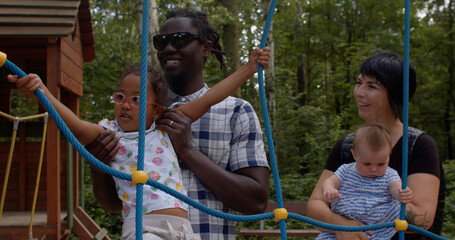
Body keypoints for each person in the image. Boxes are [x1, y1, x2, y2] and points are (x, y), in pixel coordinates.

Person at [8, 43, 269, 239]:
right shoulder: (109, 133)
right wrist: (42, 92)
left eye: (136, 99)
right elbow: (72, 125)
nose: (126, 104)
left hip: (184, 229)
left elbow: (211, 97)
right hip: (144, 228)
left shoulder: (165, 126)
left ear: (156, 109)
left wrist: (248, 68)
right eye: (120, 97)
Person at [85, 8, 271, 240]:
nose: (169, 48)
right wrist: (99, 167)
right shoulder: (139, 114)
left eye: (181, 39)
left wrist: (187, 150)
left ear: (205, 48)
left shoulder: (236, 112)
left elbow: (256, 201)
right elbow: (113, 205)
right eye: (161, 42)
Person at [307, 52, 445, 240]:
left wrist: (361, 209)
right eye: (359, 83)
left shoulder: (419, 145)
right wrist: (342, 225)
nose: (359, 92)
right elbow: (314, 205)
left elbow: (424, 217)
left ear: (396, 94)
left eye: (371, 86)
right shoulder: (347, 146)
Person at [317, 123, 412, 240]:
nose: (374, 169)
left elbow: (395, 186)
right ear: (355, 155)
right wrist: (329, 189)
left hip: (376, 229)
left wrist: (400, 192)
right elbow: (329, 181)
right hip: (342, 226)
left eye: (381, 163)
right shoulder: (346, 170)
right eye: (367, 164)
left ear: (389, 156)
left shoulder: (389, 174)